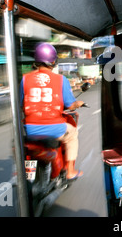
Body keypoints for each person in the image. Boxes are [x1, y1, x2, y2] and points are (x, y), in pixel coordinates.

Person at [20, 42, 85, 180]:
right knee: (73, 134)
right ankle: (70, 171)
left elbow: (21, 104)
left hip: (30, 130)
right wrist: (77, 103)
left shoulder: (25, 79)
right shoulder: (61, 80)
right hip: (55, 130)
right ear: (53, 61)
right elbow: (69, 104)